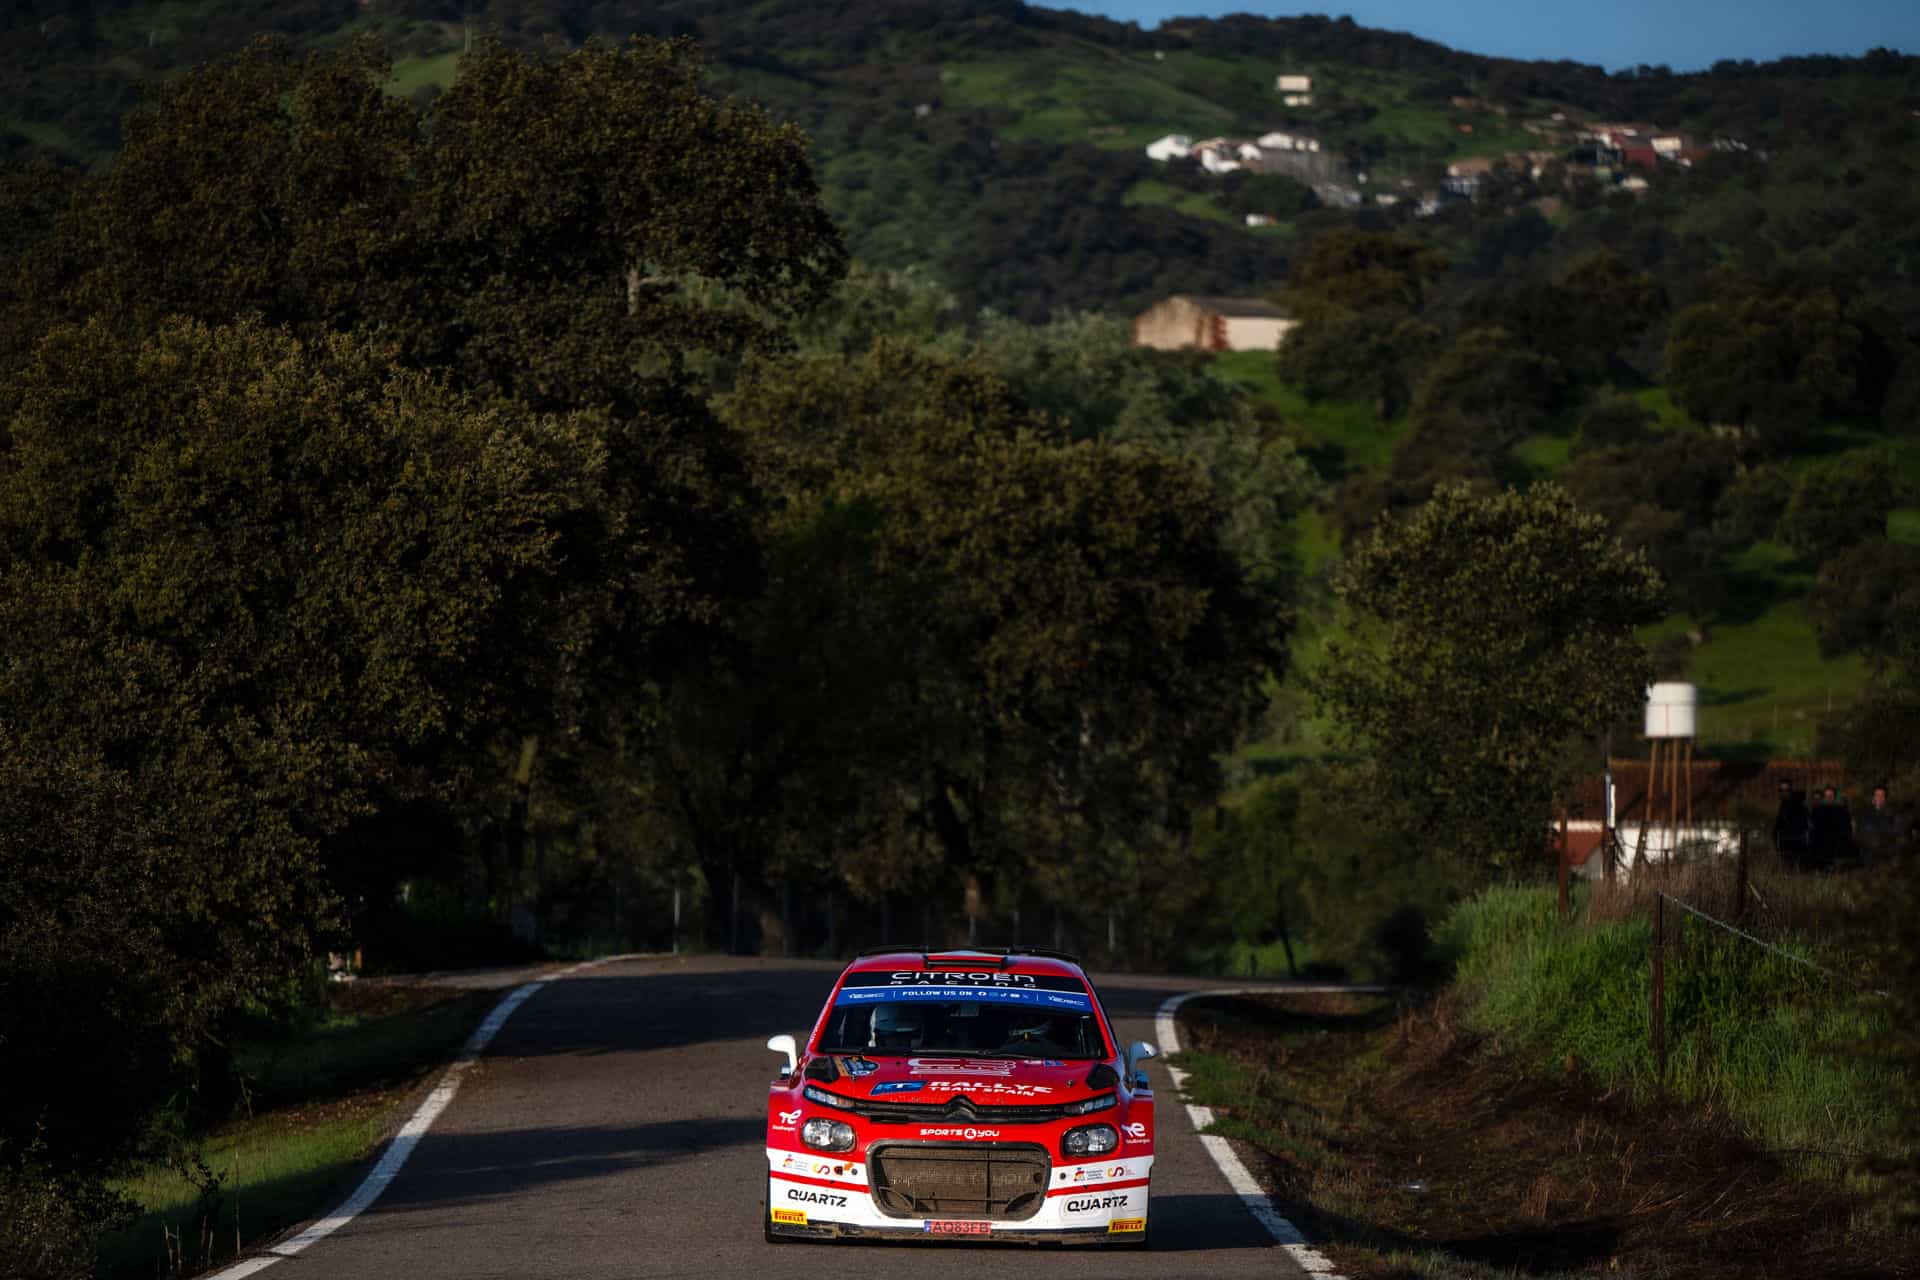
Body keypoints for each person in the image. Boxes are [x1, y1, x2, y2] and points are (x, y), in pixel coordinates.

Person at [1854, 783, 1907, 868]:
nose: (1879, 798)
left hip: (1887, 854)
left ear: (1885, 798)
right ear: (1873, 797)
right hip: (1869, 856)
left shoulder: (1892, 814)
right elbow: (1859, 833)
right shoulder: (1864, 814)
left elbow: (1897, 832)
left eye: (1881, 796)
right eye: (1877, 795)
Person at [1808, 784, 1854, 873]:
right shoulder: (1818, 810)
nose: (1829, 798)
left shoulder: (1841, 810)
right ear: (1824, 797)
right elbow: (1813, 826)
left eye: (1831, 796)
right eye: (1826, 796)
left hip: (1836, 839)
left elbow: (1846, 826)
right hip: (1822, 839)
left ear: (1834, 797)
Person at [1772, 779, 1811, 871]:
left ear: (1790, 791)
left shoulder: (1799, 805)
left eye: (1786, 790)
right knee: (1788, 870)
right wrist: (1774, 835)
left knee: (1797, 870)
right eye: (1781, 790)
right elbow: (1779, 822)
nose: (1783, 793)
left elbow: (1805, 823)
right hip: (1785, 842)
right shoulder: (1783, 804)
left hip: (1797, 844)